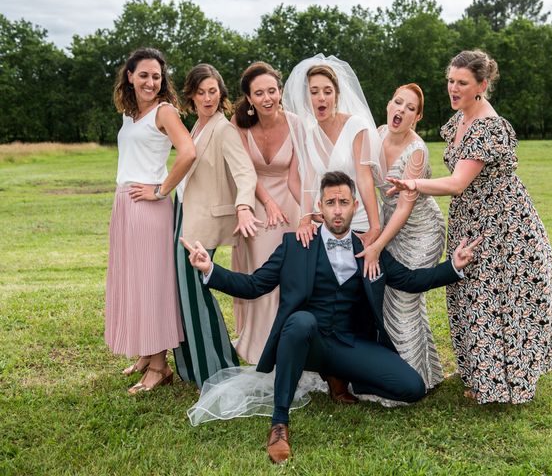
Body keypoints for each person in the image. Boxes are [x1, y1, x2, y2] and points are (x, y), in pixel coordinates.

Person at [181, 171, 481, 463]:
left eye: (343, 203)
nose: (337, 211)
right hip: (309, 341)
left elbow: (410, 280)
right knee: (301, 321)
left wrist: (452, 266)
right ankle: (279, 423)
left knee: (411, 388)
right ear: (319, 208)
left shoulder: (369, 248)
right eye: (330, 203)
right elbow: (254, 285)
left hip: (350, 344)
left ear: (355, 206)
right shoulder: (295, 245)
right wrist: (210, 269)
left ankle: (342, 378)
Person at [387, 50, 552, 404]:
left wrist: (414, 185)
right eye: (451, 80)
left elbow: (456, 183)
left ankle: (504, 381)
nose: (453, 88)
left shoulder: (489, 126)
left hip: (501, 224)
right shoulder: (460, 119)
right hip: (471, 218)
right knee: (468, 295)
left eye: (462, 83)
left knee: (497, 298)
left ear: (482, 85)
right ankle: (478, 374)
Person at [105, 47, 196, 394]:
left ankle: (160, 366)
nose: (150, 81)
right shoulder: (129, 115)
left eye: (156, 76)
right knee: (133, 281)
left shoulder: (165, 111)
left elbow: (188, 152)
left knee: (150, 284)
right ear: (129, 76)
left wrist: (160, 190)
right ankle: (146, 354)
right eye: (143, 74)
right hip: (125, 204)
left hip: (149, 208)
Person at [173, 63, 260, 388]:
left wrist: (243, 206)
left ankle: (217, 368)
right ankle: (192, 368)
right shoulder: (196, 126)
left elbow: (245, 173)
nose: (207, 98)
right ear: (191, 96)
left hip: (205, 221)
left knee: (197, 293)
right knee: (184, 294)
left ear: (221, 93)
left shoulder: (224, 129)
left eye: (213, 91)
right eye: (201, 92)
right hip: (183, 214)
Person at [357, 83, 446, 391]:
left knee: (403, 300)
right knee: (392, 301)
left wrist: (377, 245)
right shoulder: (378, 133)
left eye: (410, 108)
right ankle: (425, 373)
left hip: (421, 230)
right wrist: (372, 228)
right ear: (388, 105)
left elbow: (405, 207)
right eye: (398, 102)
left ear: (416, 118)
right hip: (388, 225)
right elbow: (366, 179)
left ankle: (409, 381)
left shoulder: (417, 152)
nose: (401, 110)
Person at [230, 62, 306, 364]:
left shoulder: (297, 124)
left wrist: (307, 213)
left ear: (280, 91)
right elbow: (245, 172)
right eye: (259, 93)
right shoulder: (239, 125)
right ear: (249, 98)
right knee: (260, 269)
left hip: (290, 202)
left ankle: (288, 341)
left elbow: (297, 176)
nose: (267, 98)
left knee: (291, 274)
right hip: (256, 205)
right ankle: (259, 344)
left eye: (271, 91)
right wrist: (267, 202)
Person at [283, 54, 383, 248]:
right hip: (331, 222)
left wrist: (375, 227)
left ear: (336, 95)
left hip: (361, 218)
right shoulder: (309, 135)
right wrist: (305, 219)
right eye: (314, 92)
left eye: (327, 91)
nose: (321, 97)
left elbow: (364, 178)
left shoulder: (356, 126)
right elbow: (309, 183)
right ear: (307, 97)